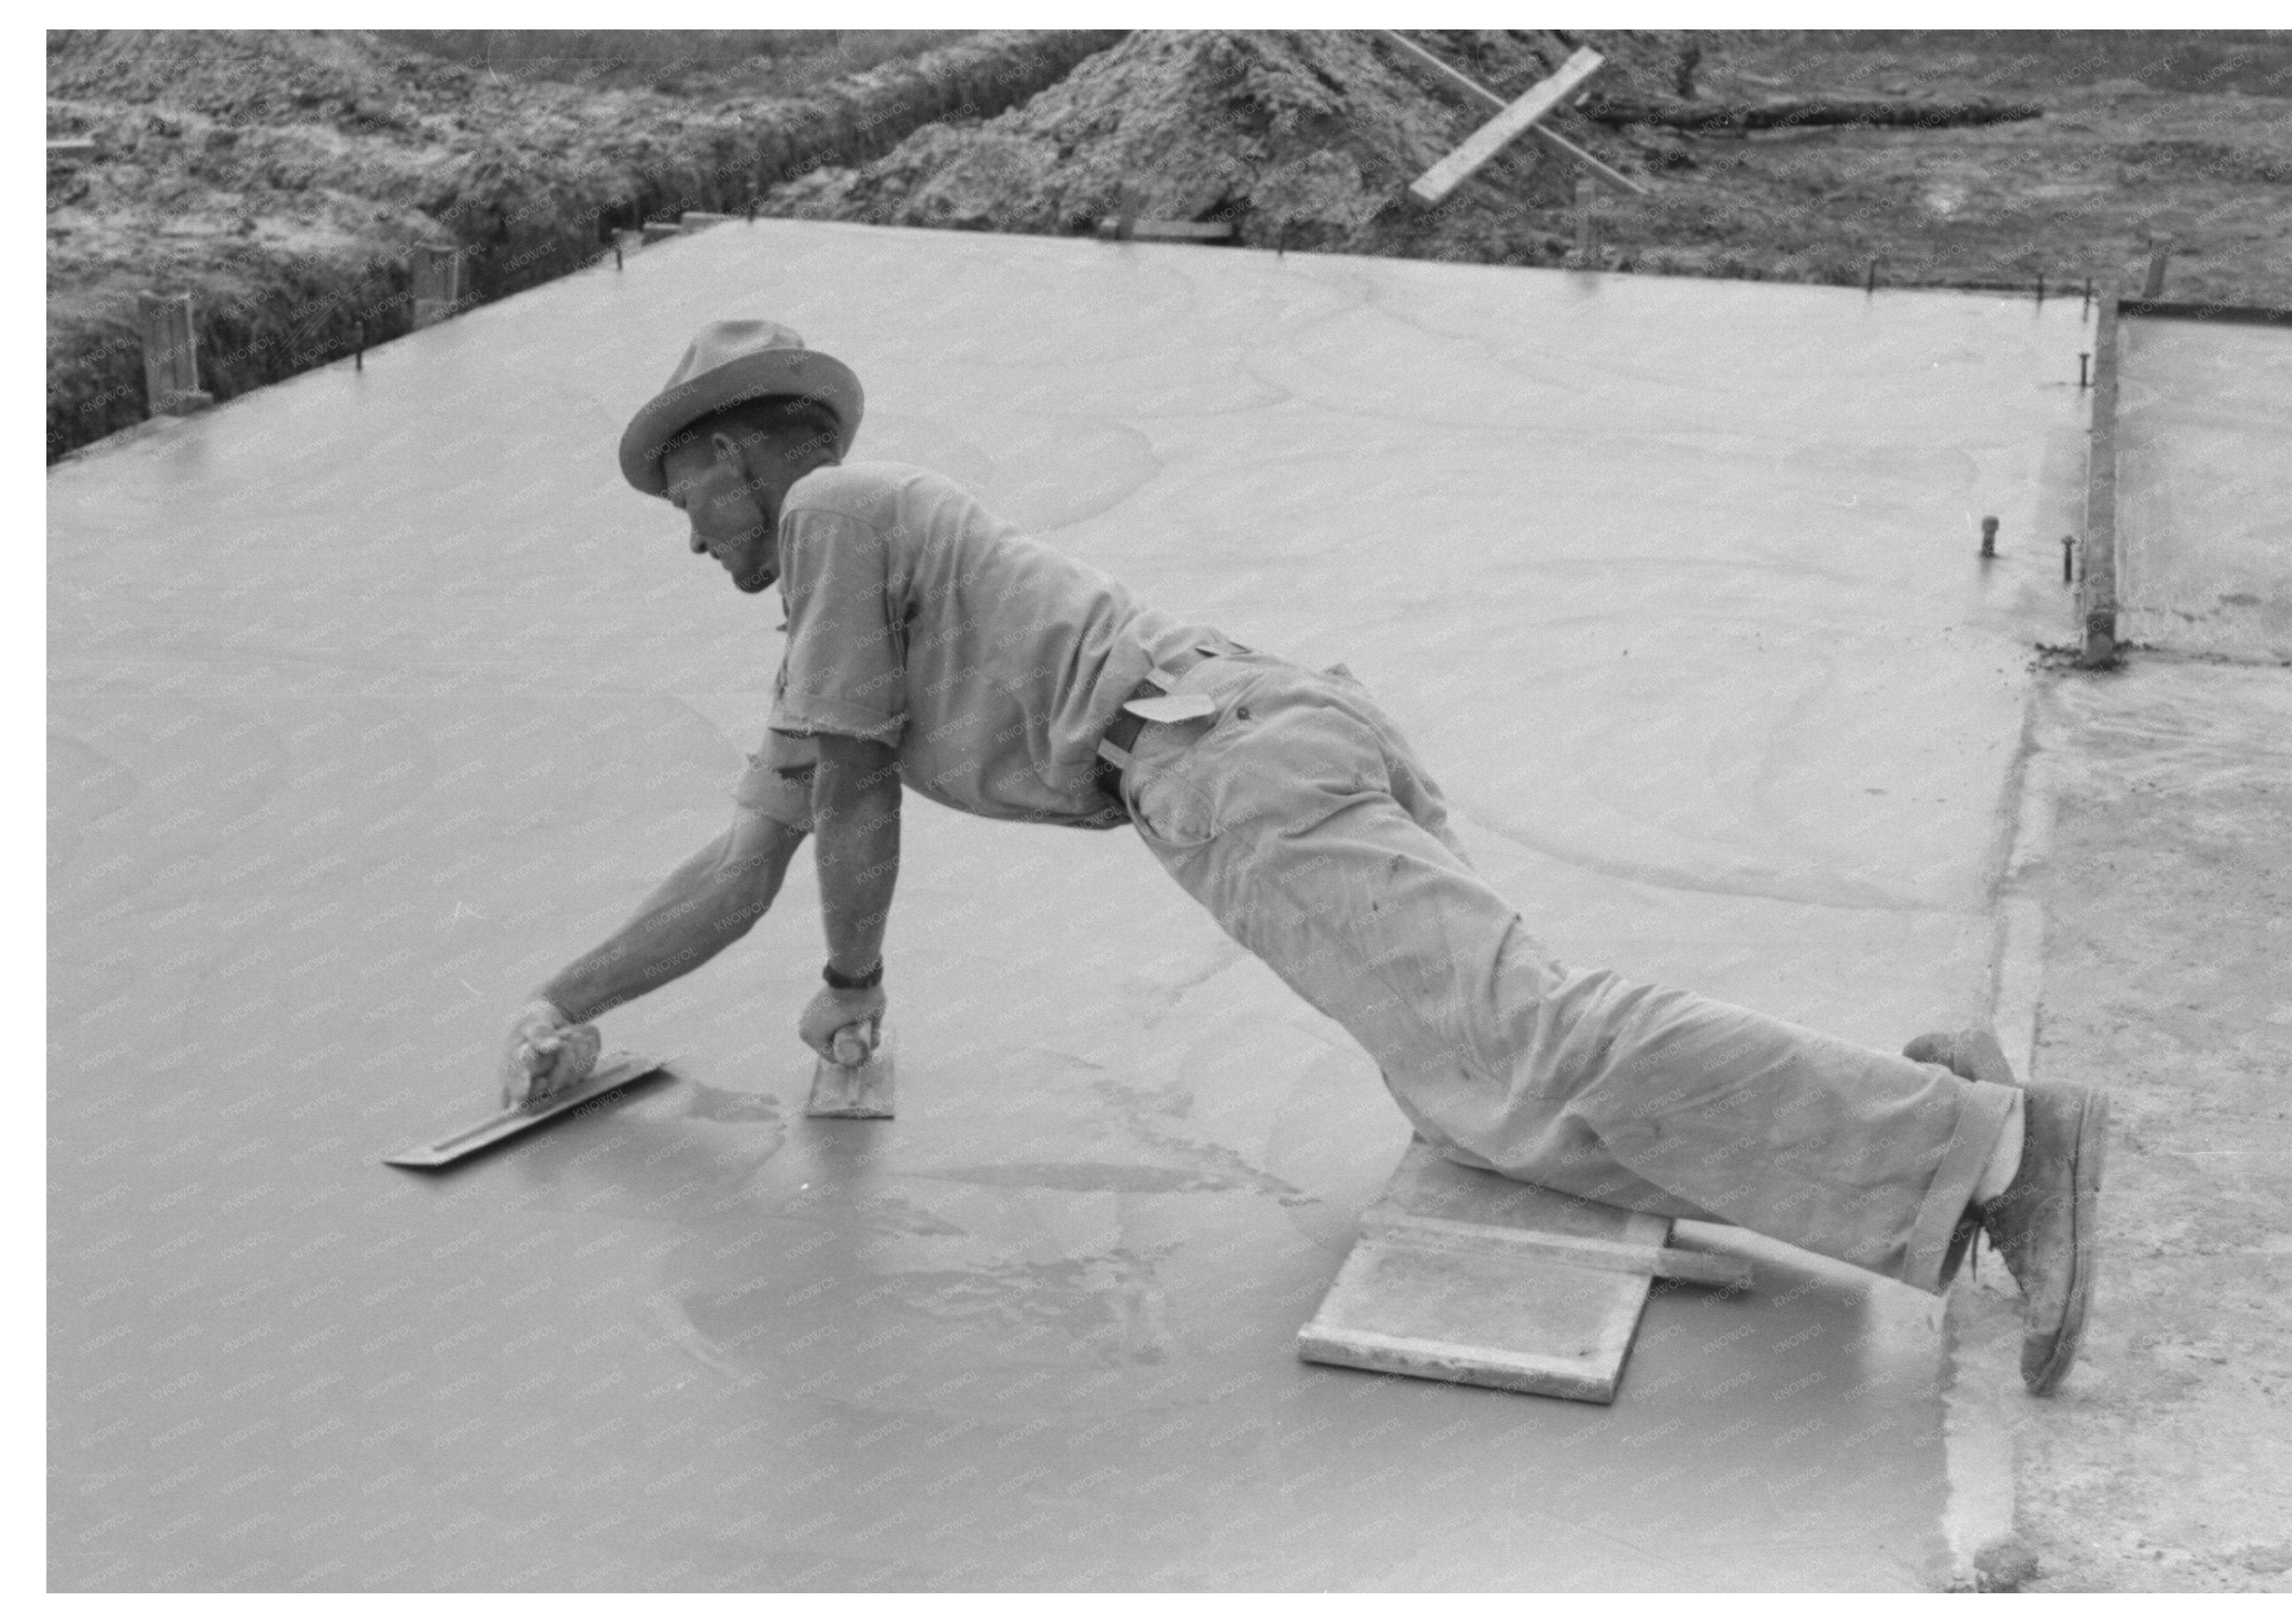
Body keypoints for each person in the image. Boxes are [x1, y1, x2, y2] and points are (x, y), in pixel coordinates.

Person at [503, 320, 2107, 1396]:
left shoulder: (836, 512)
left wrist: (851, 986)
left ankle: (2001, 1151)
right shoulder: (826, 606)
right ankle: (1931, 1143)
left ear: (734, 456)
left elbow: (852, 810)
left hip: (1225, 764)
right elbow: (749, 856)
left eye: (683, 494)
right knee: (1482, 1105)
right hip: (1228, 762)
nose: (688, 531)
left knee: (1525, 1044)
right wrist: (562, 1000)